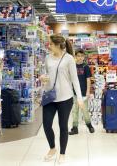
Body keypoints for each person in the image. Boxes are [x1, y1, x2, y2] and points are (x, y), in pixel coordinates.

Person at [40, 35, 84, 163]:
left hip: (65, 98)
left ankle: (62, 153)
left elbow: (75, 80)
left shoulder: (69, 59)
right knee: (47, 124)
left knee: (63, 126)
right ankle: (52, 148)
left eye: (51, 44)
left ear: (58, 45)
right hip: (50, 96)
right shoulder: (48, 58)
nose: (49, 46)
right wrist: (43, 77)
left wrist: (80, 98)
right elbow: (47, 74)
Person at [69, 49, 95, 135]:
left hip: (83, 92)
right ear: (75, 56)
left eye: (81, 56)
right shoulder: (72, 66)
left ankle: (89, 125)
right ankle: (75, 127)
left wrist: (88, 91)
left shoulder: (86, 67)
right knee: (74, 110)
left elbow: (88, 80)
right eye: (78, 56)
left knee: (84, 110)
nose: (80, 58)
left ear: (84, 57)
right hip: (74, 92)